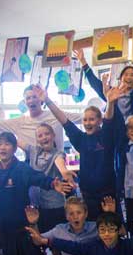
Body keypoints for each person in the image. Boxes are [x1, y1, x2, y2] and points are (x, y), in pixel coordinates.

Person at [34, 85, 116, 222]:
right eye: (85, 120)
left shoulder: (105, 136)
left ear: (99, 121)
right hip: (87, 194)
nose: (87, 123)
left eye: (92, 119)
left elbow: (108, 120)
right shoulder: (80, 139)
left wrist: (110, 102)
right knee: (90, 229)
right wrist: (47, 100)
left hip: (107, 194)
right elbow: (64, 120)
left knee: (108, 227)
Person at [17, 122, 75, 255]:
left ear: (53, 136)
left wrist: (64, 172)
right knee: (50, 240)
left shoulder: (58, 153)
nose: (44, 137)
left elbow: (61, 164)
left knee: (61, 238)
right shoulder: (34, 151)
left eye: (46, 134)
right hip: (38, 204)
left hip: (55, 205)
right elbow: (16, 141)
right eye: (40, 135)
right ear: (37, 139)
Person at [0, 85, 82, 149]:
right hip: (32, 169)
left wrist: (101, 118)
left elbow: (81, 117)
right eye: (28, 98)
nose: (31, 100)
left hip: (57, 166)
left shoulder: (55, 115)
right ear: (25, 102)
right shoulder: (20, 122)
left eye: (35, 97)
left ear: (41, 100)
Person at [76, 47, 133, 119]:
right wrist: (83, 62)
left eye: (132, 75)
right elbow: (94, 83)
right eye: (126, 74)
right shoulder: (111, 93)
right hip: (115, 133)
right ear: (120, 78)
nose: (129, 77)